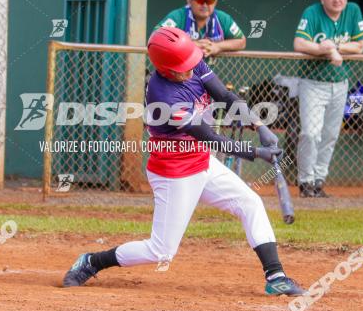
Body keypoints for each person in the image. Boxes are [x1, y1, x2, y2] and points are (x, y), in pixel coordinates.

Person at [62, 27, 304, 296]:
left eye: (191, 63)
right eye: (183, 68)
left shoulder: (190, 60)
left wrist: (259, 125)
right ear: (165, 68)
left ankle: (275, 276)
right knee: (161, 251)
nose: (190, 70)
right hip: (174, 171)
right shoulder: (163, 95)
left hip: (201, 160)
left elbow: (226, 97)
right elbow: (211, 137)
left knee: (250, 202)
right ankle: (92, 261)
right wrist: (257, 153)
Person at [292, 0, 363, 197]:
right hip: (313, 83)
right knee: (310, 133)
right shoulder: (312, 12)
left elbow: (360, 46)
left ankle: (318, 181)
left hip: (340, 84)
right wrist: (324, 50)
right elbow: (299, 43)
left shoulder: (352, 11)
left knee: (330, 135)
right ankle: (305, 182)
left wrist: (334, 46)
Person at [155, 0, 246, 58]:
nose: (205, 5)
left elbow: (241, 41)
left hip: (205, 74)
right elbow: (156, 36)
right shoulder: (178, 16)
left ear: (215, 2)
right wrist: (191, 45)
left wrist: (217, 46)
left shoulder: (222, 18)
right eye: (200, 0)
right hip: (176, 73)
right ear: (189, 1)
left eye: (209, 1)